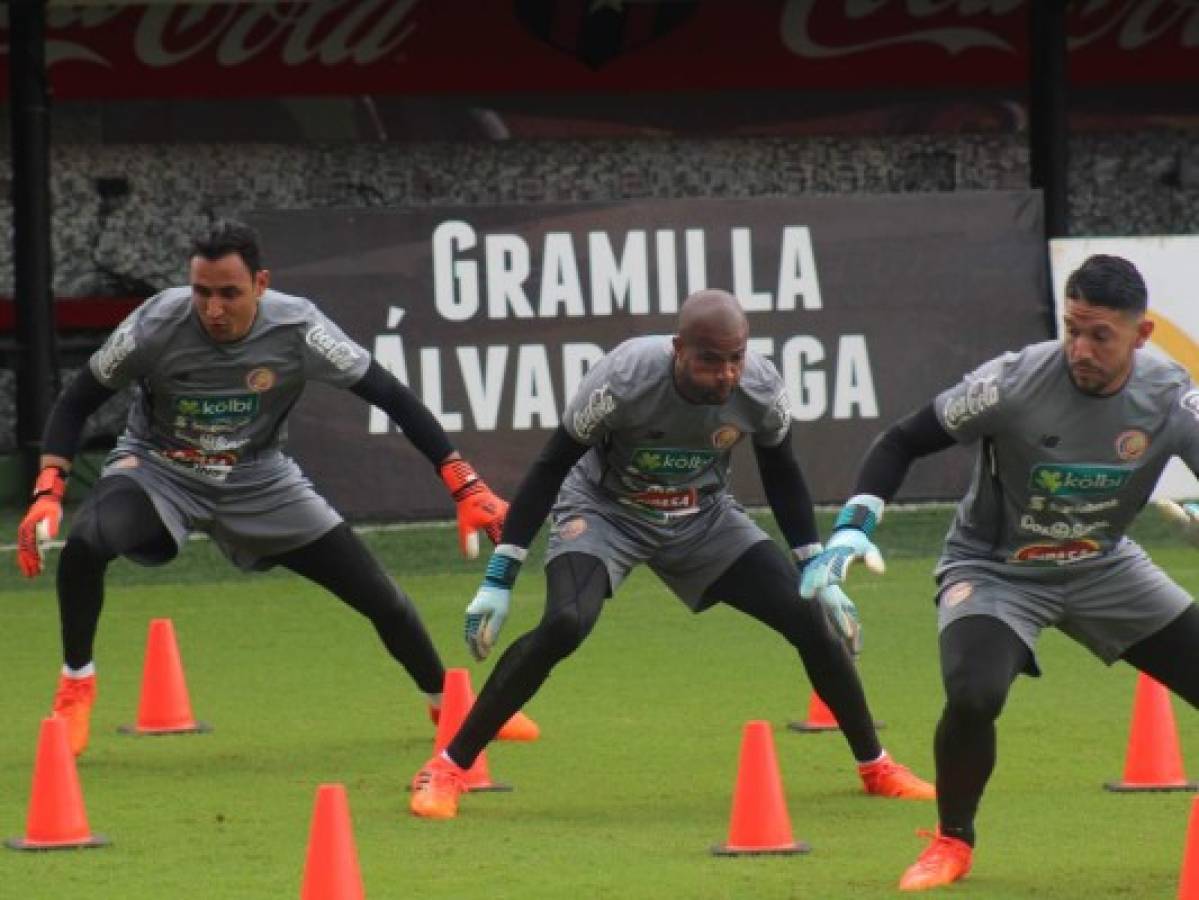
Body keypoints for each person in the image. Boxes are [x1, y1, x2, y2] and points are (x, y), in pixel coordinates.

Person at [15, 219, 537, 756]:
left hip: (260, 480)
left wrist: (462, 481)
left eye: (229, 294)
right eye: (202, 292)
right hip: (159, 471)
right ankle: (76, 683)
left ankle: (449, 705)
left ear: (261, 283)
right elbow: (77, 399)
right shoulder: (156, 323)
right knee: (86, 543)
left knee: (379, 595)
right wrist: (48, 489)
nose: (213, 309)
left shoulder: (300, 328)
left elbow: (390, 395)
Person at [406, 288, 934, 819]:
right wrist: (500, 578)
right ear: (680, 349)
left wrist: (818, 569)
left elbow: (782, 473)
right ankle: (449, 767)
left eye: (735, 359)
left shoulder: (762, 389)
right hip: (605, 511)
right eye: (710, 359)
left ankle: (876, 766)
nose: (725, 374)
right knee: (566, 623)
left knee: (808, 614)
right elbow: (550, 466)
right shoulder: (623, 379)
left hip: (702, 515)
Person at [800, 254, 1199, 891]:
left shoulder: (1174, 396)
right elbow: (901, 440)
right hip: (995, 569)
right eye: (1073, 328)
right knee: (974, 693)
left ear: (1141, 335)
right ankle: (953, 842)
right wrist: (853, 526)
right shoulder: (1011, 383)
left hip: (1105, 565)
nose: (1082, 348)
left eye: (1102, 335)